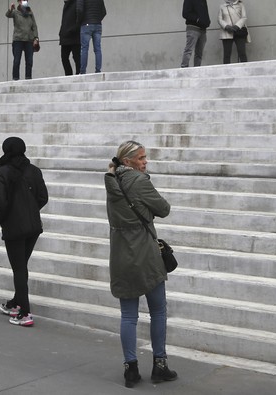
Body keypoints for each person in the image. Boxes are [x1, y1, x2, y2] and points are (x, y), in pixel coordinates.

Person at [104, 141, 177, 388]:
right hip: (145, 253)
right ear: (128, 161)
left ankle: (131, 369)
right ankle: (160, 364)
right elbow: (164, 209)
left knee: (128, 315)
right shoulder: (138, 181)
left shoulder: (112, 182)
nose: (145, 162)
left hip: (121, 253)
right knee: (157, 310)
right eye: (141, 158)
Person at [0, 137, 48, 327]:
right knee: (21, 266)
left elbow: (0, 202)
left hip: (14, 227)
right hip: (33, 226)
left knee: (19, 268)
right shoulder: (34, 170)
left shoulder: (2, 172)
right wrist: (30, 210)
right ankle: (15, 302)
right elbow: (43, 197)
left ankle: (24, 313)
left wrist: (1, 219)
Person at [76, 0, 106, 74]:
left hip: (86, 25)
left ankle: (83, 71)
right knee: (97, 49)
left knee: (84, 48)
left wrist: (79, 22)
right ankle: (98, 70)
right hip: (98, 24)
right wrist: (97, 19)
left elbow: (79, 10)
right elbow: (104, 12)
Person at [5, 0, 39, 80]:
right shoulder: (15, 12)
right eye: (24, 0)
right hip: (18, 39)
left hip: (29, 39)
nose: (26, 1)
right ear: (19, 2)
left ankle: (28, 78)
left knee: (29, 61)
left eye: (27, 0)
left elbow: (34, 26)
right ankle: (15, 78)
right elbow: (8, 15)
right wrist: (11, 9)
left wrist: (36, 38)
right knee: (17, 60)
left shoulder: (30, 12)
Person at [181, 0, 210, 68]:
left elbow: (205, 13)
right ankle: (184, 67)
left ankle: (197, 69)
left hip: (202, 29)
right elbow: (185, 13)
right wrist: (197, 19)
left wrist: (207, 22)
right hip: (193, 28)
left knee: (199, 53)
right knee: (189, 50)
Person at [218, 0, 248, 64]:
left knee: (242, 53)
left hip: (239, 31)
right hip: (227, 32)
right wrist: (226, 26)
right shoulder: (222, 6)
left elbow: (244, 17)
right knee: (227, 54)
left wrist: (237, 26)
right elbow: (219, 19)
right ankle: (226, 72)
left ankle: (245, 70)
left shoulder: (241, 4)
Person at [59, 0, 81, 76]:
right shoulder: (66, 4)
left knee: (76, 57)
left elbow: (79, 18)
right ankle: (68, 75)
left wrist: (74, 29)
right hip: (65, 36)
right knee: (64, 58)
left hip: (74, 36)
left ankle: (79, 73)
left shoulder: (77, 2)